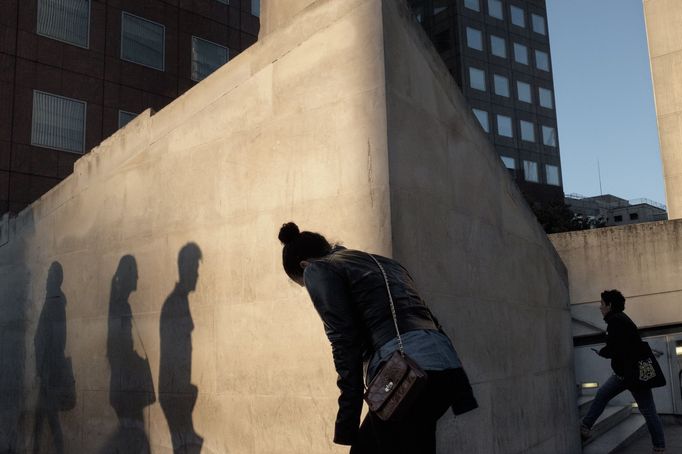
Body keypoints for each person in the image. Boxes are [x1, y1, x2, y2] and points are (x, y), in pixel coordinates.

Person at [278, 222, 477, 453]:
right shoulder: (389, 265)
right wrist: (463, 392)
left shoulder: (317, 269)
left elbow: (344, 341)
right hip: (446, 372)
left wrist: (347, 421)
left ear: (303, 265)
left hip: (405, 377)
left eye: (303, 284)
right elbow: (432, 321)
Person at [580, 289, 665, 453]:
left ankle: (659, 447)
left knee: (646, 410)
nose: (600, 307)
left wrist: (602, 352)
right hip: (627, 374)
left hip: (630, 375)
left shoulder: (615, 321)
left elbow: (615, 348)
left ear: (609, 305)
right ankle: (585, 427)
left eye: (602, 304)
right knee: (604, 395)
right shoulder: (622, 319)